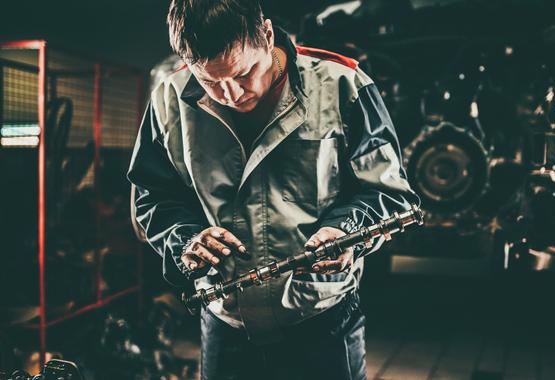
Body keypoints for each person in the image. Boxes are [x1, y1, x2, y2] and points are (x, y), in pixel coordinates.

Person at [127, 0, 418, 379]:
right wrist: (186, 239)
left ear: (266, 35)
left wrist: (346, 231)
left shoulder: (343, 85)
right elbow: (153, 198)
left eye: (245, 73)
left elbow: (390, 194)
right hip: (224, 321)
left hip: (322, 318)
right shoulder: (169, 100)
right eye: (210, 82)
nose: (231, 95)